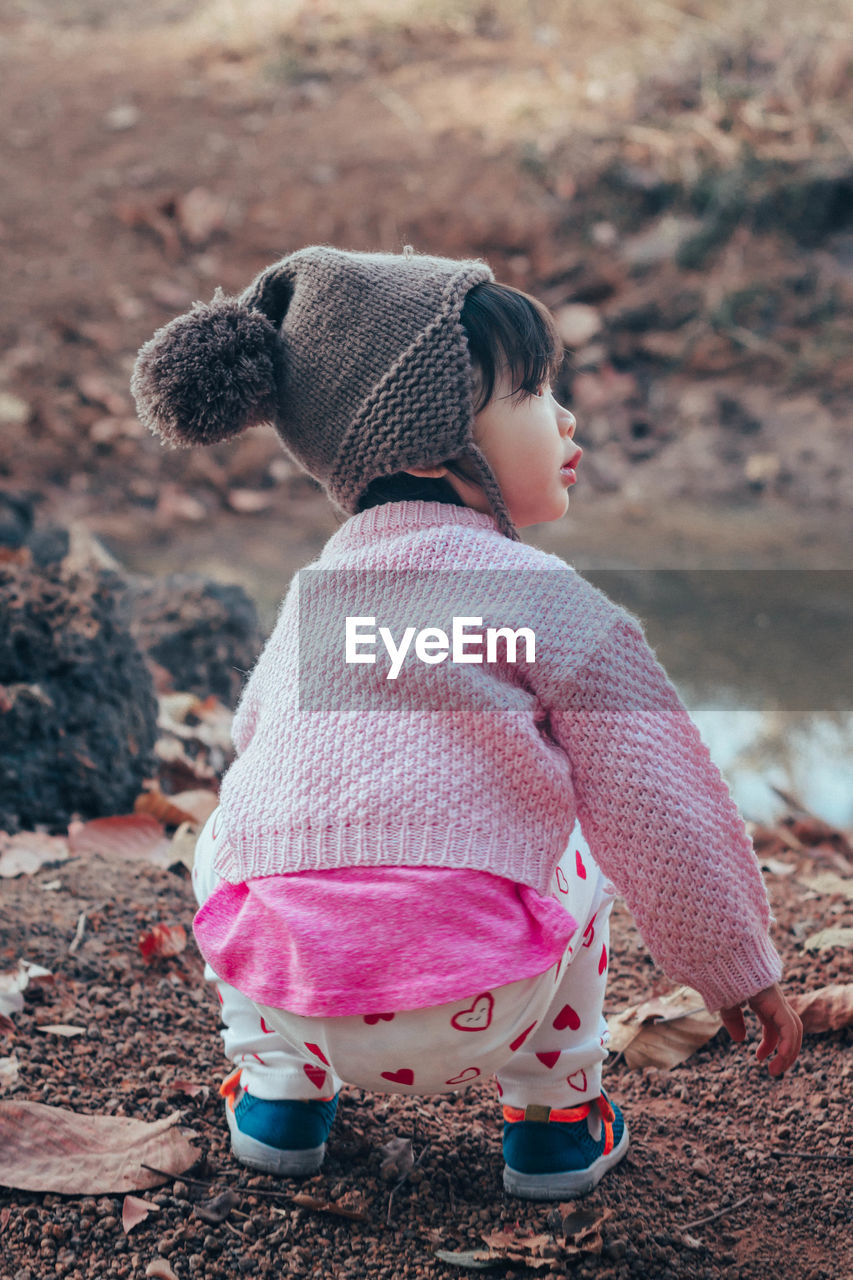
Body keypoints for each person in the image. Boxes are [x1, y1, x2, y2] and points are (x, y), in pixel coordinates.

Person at [131, 245, 802, 1202]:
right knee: (589, 814)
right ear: (420, 442)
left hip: (295, 987)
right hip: (488, 996)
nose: (566, 420)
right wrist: (736, 967)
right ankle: (555, 1120)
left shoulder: (316, 595)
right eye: (530, 395)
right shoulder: (547, 599)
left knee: (238, 827)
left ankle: (279, 1097)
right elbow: (662, 801)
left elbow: (260, 747)